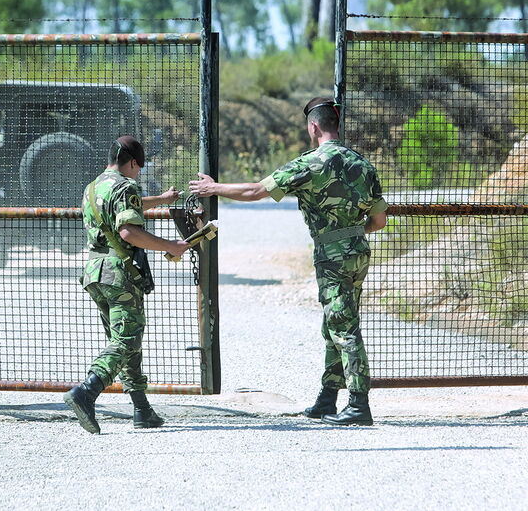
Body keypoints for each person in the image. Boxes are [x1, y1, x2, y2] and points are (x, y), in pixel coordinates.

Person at [189, 97, 387, 426]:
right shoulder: (362, 165)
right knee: (334, 324)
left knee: (343, 328)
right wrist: (351, 231)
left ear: (313, 127)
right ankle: (327, 399)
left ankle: (358, 404)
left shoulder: (310, 164)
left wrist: (214, 188)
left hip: (331, 254)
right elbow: (379, 221)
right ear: (335, 125)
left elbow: (256, 191)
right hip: (358, 250)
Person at [66, 135, 190, 434]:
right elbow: (128, 232)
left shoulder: (95, 186)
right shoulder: (126, 185)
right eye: (139, 168)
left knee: (125, 341)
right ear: (133, 163)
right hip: (119, 273)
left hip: (96, 272)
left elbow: (122, 205)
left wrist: (161, 200)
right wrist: (170, 246)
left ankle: (142, 410)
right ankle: (87, 389)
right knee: (126, 340)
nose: (138, 174)